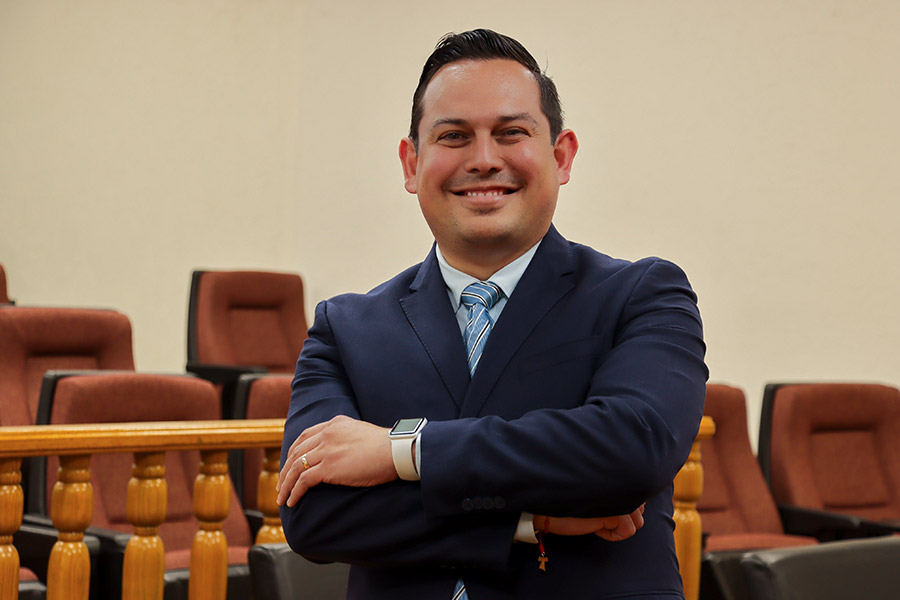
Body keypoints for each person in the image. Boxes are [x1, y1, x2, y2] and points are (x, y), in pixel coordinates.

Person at [277, 28, 707, 600]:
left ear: (561, 155)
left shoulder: (642, 294)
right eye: (454, 136)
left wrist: (400, 451)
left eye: (511, 133)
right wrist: (534, 523)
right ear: (411, 163)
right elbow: (316, 515)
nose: (484, 160)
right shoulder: (346, 328)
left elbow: (631, 449)